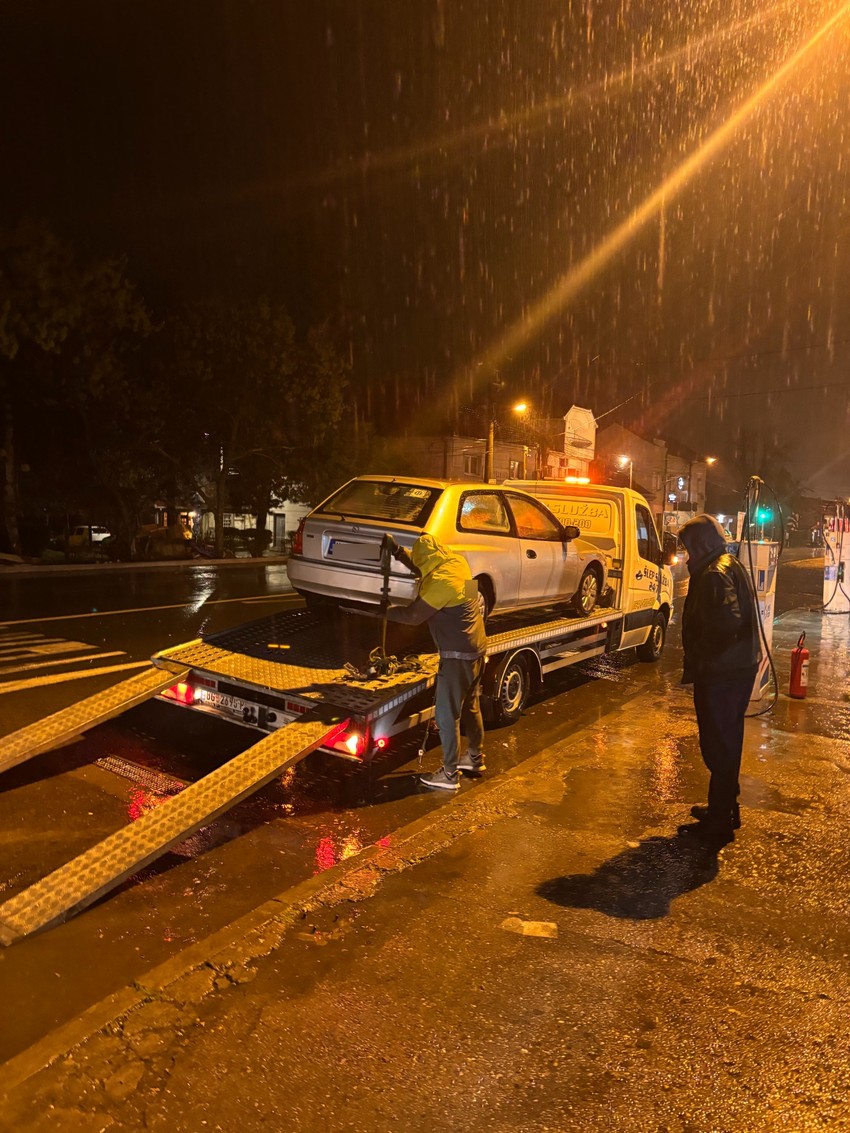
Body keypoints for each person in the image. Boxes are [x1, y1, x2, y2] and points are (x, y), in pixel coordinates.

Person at [677, 514, 761, 844]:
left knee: (718, 746)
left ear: (700, 545)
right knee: (727, 743)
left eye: (688, 548)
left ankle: (719, 821)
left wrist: (702, 653)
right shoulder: (727, 563)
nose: (686, 556)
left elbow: (726, 623)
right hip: (733, 670)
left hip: (722, 674)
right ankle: (724, 808)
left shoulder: (714, 574)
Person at [382, 533, 487, 791]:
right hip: (478, 647)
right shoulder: (457, 562)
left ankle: (450, 775)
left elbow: (413, 616)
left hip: (456, 656)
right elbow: (423, 565)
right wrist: (397, 552)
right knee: (471, 706)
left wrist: (383, 611)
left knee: (446, 714)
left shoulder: (439, 583)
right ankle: (475, 758)